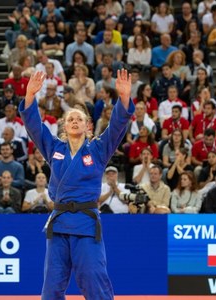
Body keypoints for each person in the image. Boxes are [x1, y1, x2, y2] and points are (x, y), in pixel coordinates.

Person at [19, 69, 134, 299]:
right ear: (63, 126)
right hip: (59, 223)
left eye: (79, 119)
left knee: (93, 280)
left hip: (85, 222)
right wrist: (30, 96)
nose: (74, 121)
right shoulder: (54, 148)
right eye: (70, 119)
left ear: (88, 127)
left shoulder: (98, 150)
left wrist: (123, 98)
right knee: (52, 286)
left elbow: (116, 128)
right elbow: (35, 128)